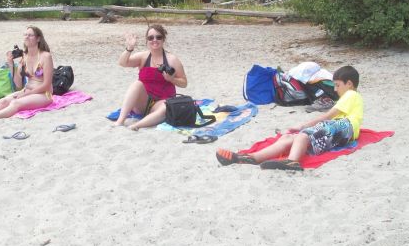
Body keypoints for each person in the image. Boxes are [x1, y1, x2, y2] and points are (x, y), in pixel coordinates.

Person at [216, 66, 363, 171]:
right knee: (287, 138)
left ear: (349, 84)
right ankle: (252, 157)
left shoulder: (351, 94)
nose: (335, 89)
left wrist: (302, 126)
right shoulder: (349, 96)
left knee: (303, 135)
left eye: (337, 85)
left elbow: (327, 116)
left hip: (346, 127)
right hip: (339, 127)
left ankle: (292, 162)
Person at [114, 24, 187, 131]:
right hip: (143, 102)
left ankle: (137, 125)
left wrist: (172, 79)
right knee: (137, 84)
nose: (154, 40)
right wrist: (129, 48)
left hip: (161, 102)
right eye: (151, 38)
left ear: (163, 39)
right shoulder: (143, 56)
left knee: (166, 106)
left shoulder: (172, 60)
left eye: (158, 37)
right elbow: (122, 63)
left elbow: (184, 83)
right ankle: (120, 121)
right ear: (147, 40)